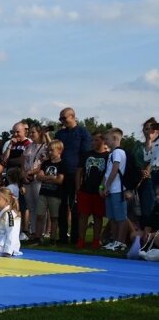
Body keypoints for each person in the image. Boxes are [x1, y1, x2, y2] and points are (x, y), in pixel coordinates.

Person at [54, 107, 92, 244]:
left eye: (64, 118)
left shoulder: (83, 133)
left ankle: (76, 237)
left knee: (75, 207)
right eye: (60, 119)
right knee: (61, 207)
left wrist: (81, 175)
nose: (62, 121)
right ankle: (62, 236)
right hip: (60, 174)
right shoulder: (59, 134)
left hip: (76, 174)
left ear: (73, 117)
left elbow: (86, 154)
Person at [76, 132, 109, 249]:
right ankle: (81, 240)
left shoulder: (108, 156)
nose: (94, 143)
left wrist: (104, 188)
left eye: (96, 140)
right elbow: (79, 171)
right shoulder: (86, 155)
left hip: (99, 191)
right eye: (92, 140)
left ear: (103, 141)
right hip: (85, 189)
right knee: (83, 216)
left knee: (98, 217)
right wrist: (78, 187)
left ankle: (96, 240)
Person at [33, 140, 65, 246]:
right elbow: (39, 177)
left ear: (59, 151)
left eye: (52, 150)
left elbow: (60, 180)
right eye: (48, 150)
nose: (49, 152)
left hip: (55, 195)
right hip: (43, 193)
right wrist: (51, 177)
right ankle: (38, 238)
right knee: (40, 216)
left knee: (54, 217)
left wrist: (45, 178)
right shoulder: (46, 163)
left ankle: (53, 239)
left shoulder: (62, 164)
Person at [100, 129, 128, 251]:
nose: (105, 141)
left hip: (117, 189)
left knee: (120, 217)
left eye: (107, 139)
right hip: (111, 189)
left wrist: (107, 186)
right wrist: (103, 186)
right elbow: (107, 173)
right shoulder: (111, 153)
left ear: (115, 138)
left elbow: (114, 170)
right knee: (112, 217)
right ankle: (114, 240)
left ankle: (120, 241)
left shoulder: (118, 152)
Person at [23, 123, 51, 240]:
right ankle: (33, 231)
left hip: (37, 180)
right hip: (28, 180)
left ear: (39, 133)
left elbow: (44, 163)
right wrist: (23, 173)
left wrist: (31, 172)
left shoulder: (45, 146)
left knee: (40, 207)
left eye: (33, 132)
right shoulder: (29, 146)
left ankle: (41, 232)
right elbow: (23, 161)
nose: (31, 134)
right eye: (30, 132)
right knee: (31, 206)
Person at [135, 118, 159, 228]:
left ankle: (149, 238)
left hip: (151, 180)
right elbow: (132, 161)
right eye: (146, 128)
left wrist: (147, 170)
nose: (149, 131)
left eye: (152, 129)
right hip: (137, 181)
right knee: (138, 211)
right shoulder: (138, 145)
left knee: (149, 209)